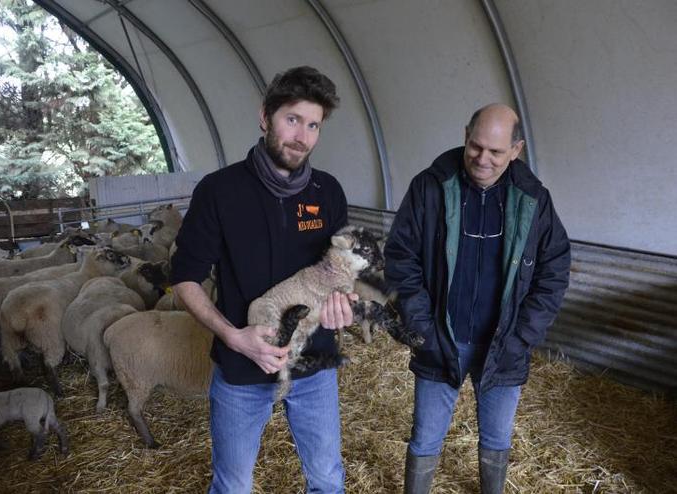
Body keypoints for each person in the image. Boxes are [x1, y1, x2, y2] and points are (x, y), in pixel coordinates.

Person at [171, 66, 354, 493]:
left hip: (314, 368)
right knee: (233, 485)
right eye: (292, 119)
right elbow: (184, 280)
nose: (302, 136)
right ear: (265, 117)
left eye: (313, 125)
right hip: (242, 370)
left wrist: (342, 301)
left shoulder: (328, 193)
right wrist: (233, 337)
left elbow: (341, 272)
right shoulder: (219, 191)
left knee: (328, 480)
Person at [384, 103, 571, 494]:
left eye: (496, 151)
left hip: (502, 347)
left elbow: (553, 270)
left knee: (497, 439)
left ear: (516, 150)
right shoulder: (431, 186)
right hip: (440, 340)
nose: (481, 158)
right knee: (425, 439)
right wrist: (423, 330)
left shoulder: (532, 199)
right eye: (475, 145)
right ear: (466, 134)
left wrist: (521, 338)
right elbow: (401, 258)